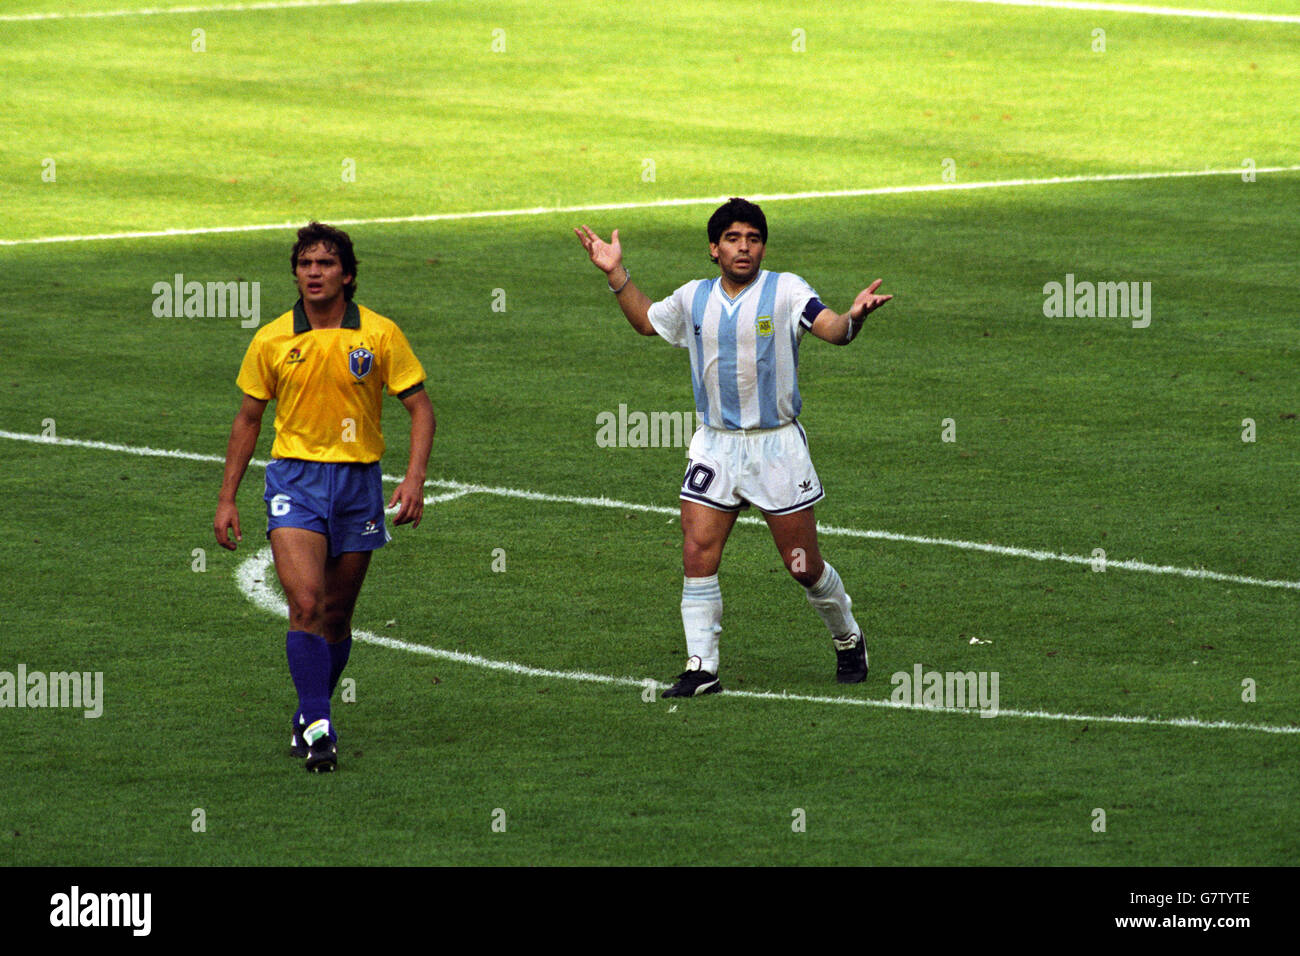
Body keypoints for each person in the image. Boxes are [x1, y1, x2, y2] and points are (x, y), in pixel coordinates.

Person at [575, 198, 892, 697]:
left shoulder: (787, 290)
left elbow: (831, 328)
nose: (744, 248)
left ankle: (848, 636)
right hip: (716, 446)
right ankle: (702, 667)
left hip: (776, 448)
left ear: (763, 245)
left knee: (803, 566)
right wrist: (616, 275)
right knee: (697, 551)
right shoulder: (692, 298)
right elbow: (646, 321)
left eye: (753, 238)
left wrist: (854, 318)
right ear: (714, 248)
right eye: (733, 238)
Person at [214, 222, 435, 771]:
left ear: (348, 275)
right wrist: (227, 498)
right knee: (306, 603)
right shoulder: (272, 339)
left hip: (359, 485)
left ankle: (309, 710)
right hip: (295, 482)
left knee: (336, 617)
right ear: (296, 273)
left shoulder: (379, 335)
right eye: (306, 264)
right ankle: (319, 729)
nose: (314, 272)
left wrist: (413, 478)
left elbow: (421, 409)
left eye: (326, 263)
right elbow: (248, 419)